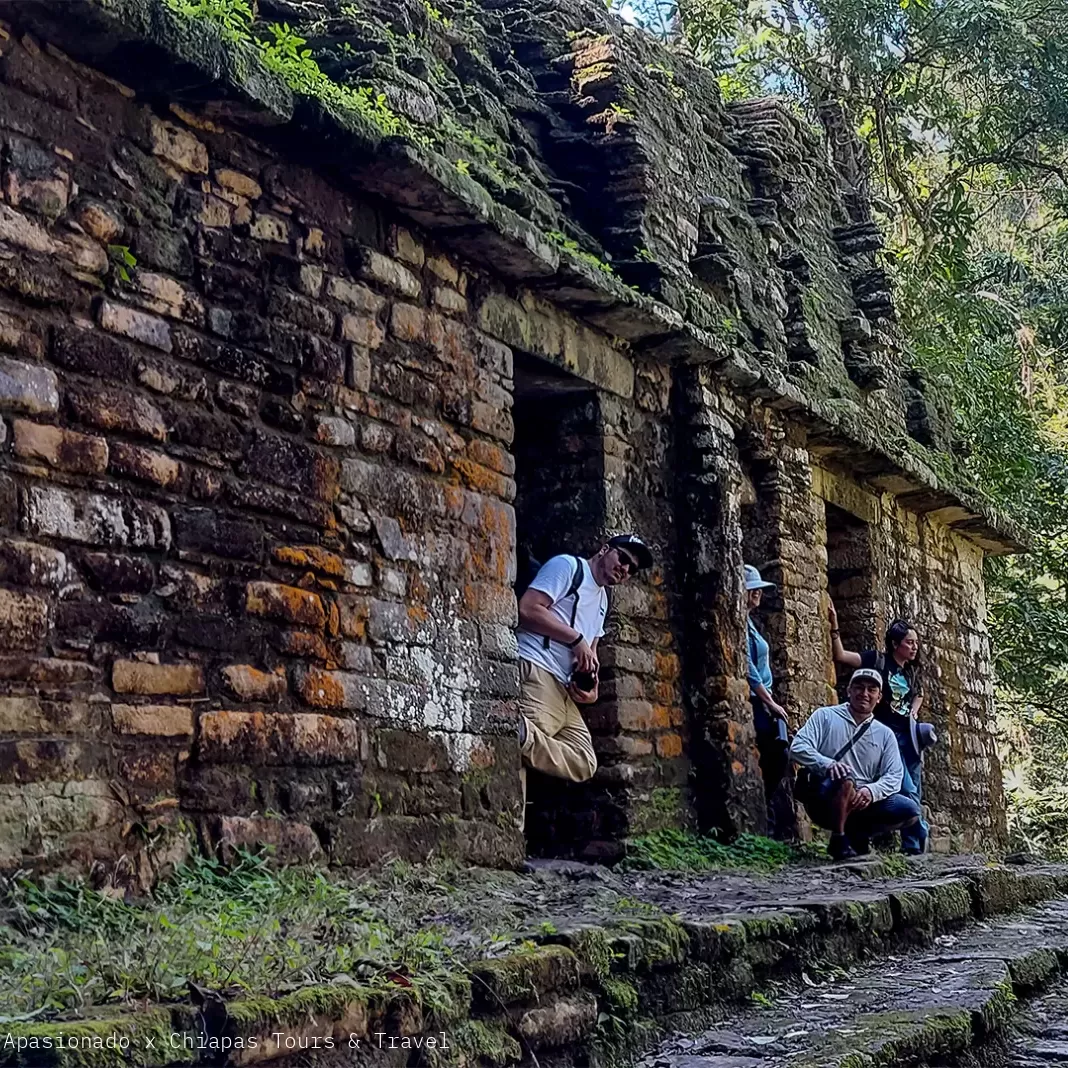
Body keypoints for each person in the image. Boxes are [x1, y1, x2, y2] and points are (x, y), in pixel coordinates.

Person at [515, 534, 654, 828]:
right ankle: (510, 836)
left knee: (585, 760)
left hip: (565, 689)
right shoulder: (568, 567)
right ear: (605, 550)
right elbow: (527, 609)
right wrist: (574, 638)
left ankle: (520, 733)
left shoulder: (602, 600)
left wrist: (592, 687)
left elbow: (589, 653)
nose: (625, 569)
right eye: (623, 558)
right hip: (539, 670)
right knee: (523, 757)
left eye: (632, 568)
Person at [827, 604, 936, 855]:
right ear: (896, 643)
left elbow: (918, 694)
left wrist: (914, 711)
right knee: (905, 788)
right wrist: (834, 627)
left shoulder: (909, 672)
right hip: (887, 738)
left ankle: (913, 846)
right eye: (910, 642)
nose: (914, 647)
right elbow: (842, 656)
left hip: (909, 738)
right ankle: (917, 838)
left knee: (914, 788)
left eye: (915, 642)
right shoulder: (876, 661)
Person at [789, 667, 921, 860]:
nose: (864, 694)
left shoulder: (885, 734)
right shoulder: (825, 716)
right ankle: (838, 839)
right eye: (859, 687)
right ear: (849, 691)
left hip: (862, 800)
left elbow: (894, 775)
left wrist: (871, 791)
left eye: (871, 690)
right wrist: (828, 764)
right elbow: (798, 747)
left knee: (909, 810)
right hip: (825, 793)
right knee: (845, 778)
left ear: (879, 697)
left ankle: (857, 835)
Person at [744, 565, 790, 798]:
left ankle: (767, 801)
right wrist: (769, 701)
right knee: (774, 751)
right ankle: (765, 802)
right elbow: (748, 668)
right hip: (756, 699)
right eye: (751, 589)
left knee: (780, 751)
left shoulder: (751, 623)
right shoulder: (739, 623)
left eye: (758, 589)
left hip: (763, 697)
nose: (756, 593)